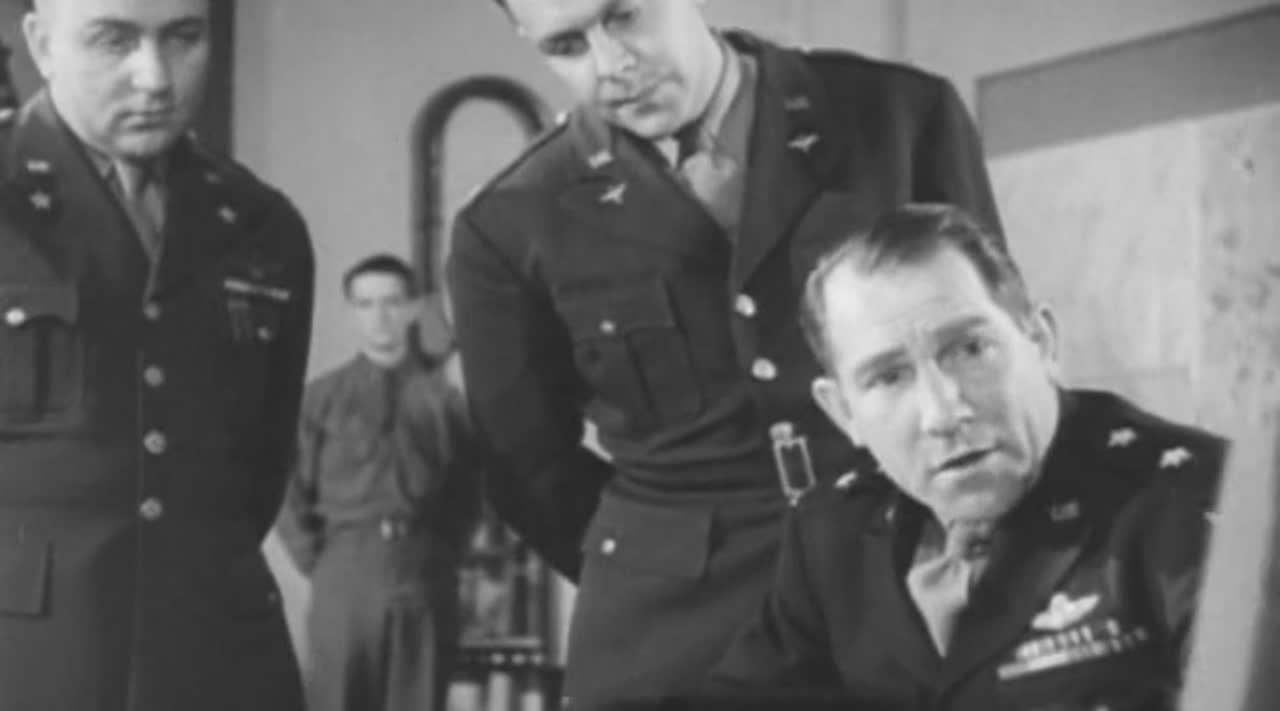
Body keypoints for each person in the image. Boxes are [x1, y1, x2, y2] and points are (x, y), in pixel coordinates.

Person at [446, 0, 1003, 707]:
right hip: (671, 639)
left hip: (909, 581)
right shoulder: (508, 223)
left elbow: (992, 356)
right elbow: (527, 470)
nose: (612, 65)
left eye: (624, 15)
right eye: (566, 46)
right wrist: (657, 554)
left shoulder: (898, 117)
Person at [702, 204, 1227, 710]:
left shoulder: (1191, 499)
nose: (942, 412)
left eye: (970, 350)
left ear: (1040, 341)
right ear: (843, 413)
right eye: (888, 377)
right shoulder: (833, 535)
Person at [0, 1, 314, 710]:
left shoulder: (261, 223)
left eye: (183, 37)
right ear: (42, 44)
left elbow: (259, 469)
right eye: (113, 39)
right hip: (29, 663)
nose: (156, 77)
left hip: (218, 659)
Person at [276, 255, 482, 711]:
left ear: (412, 308)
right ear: (351, 311)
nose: (380, 317)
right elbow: (288, 495)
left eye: (392, 302)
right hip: (346, 571)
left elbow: (468, 495)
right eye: (365, 304)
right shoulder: (320, 399)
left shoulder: (444, 402)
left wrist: (440, 555)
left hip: (425, 571)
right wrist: (326, 563)